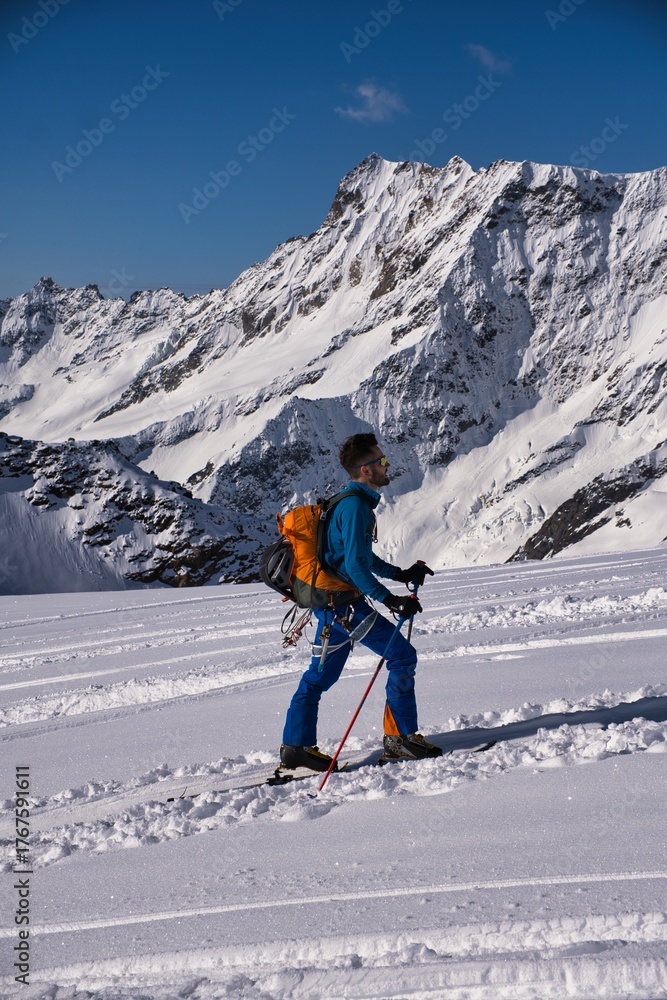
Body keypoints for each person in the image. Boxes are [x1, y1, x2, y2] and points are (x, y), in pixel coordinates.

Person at [280, 431, 442, 771]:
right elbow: (355, 566)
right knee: (402, 655)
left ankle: (296, 746)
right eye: (382, 461)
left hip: (330, 607)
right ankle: (400, 740)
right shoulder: (355, 507)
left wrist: (400, 574)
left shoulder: (348, 502)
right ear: (366, 470)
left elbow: (358, 558)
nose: (387, 465)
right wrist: (391, 600)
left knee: (318, 678)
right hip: (345, 608)